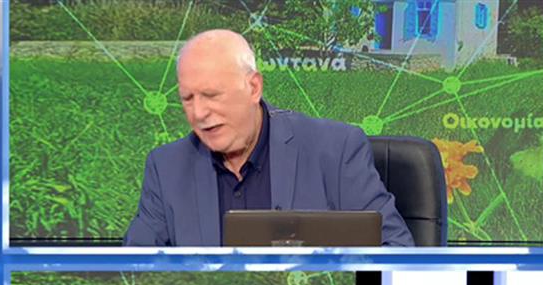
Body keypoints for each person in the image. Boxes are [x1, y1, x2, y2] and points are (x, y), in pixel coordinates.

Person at [125, 30, 414, 247]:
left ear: (253, 88)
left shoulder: (335, 150)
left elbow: (396, 250)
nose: (199, 113)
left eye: (211, 95)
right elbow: (134, 269)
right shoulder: (166, 167)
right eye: (187, 99)